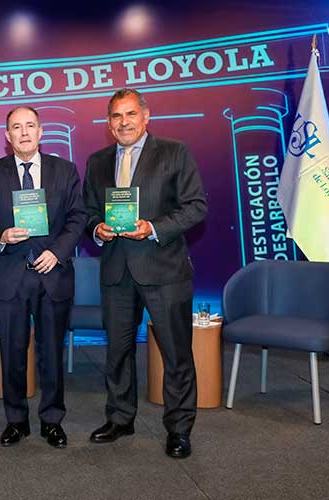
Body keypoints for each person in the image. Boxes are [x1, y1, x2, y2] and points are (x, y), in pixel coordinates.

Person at [83, 88, 207, 459]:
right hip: (117, 272)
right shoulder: (97, 161)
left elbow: (196, 206)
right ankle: (120, 418)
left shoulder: (174, 152)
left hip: (164, 269)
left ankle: (179, 429)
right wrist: (97, 229)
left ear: (146, 116)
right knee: (117, 353)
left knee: (176, 355)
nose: (124, 123)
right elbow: (89, 210)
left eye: (130, 114)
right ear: (109, 123)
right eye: (116, 117)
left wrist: (152, 227)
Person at [0, 106, 86, 448]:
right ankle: (16, 420)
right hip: (11, 276)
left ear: (40, 132)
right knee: (12, 352)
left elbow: (78, 217)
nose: (24, 132)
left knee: (51, 352)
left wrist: (58, 252)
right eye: (16, 128)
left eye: (30, 126)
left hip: (53, 274)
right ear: (7, 137)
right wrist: (2, 235)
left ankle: (52, 420)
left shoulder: (64, 170)